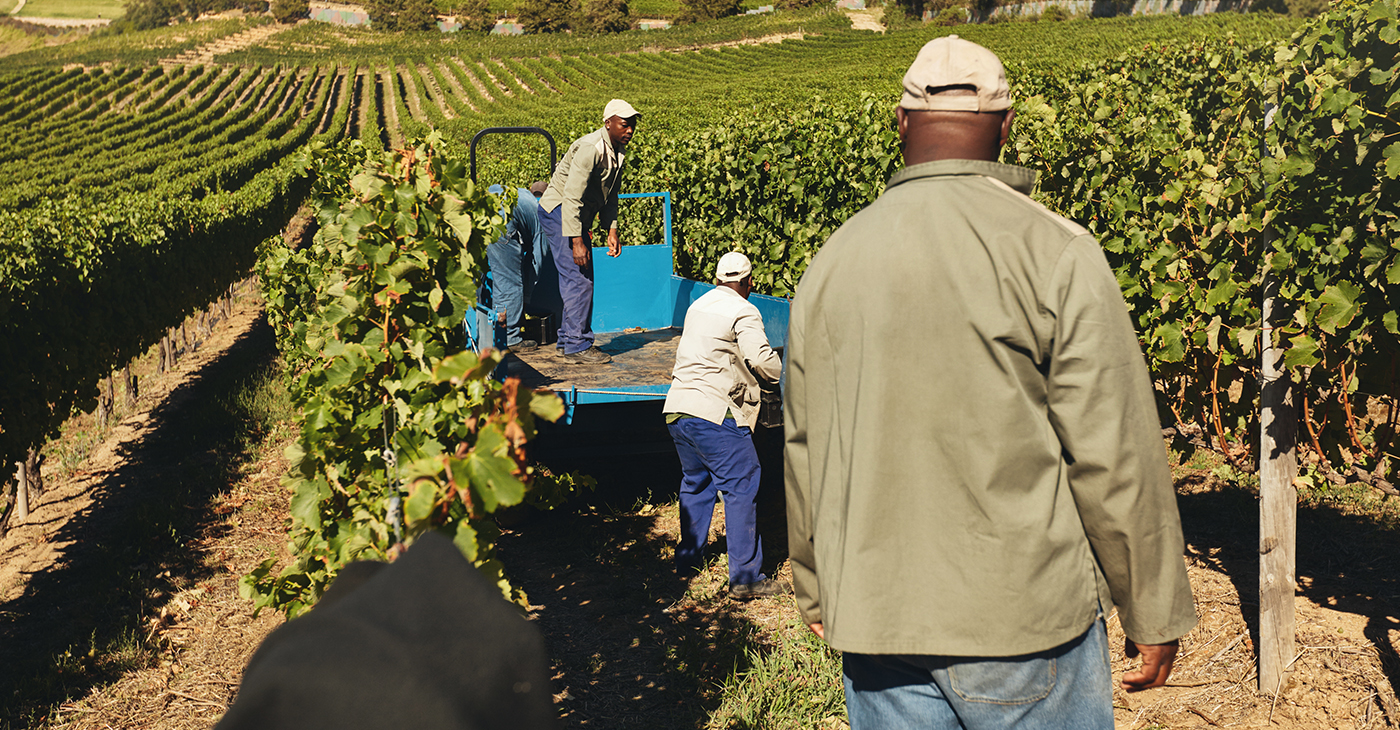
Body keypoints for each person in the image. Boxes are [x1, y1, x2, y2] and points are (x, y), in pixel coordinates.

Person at [783, 36, 1197, 729]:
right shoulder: (1054, 252)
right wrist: (1151, 605)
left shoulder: (833, 261)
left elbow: (805, 448)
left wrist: (819, 590)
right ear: (1006, 128)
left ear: (900, 124)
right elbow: (1112, 451)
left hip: (876, 621)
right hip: (1021, 624)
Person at [664, 252, 787, 600]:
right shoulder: (744, 309)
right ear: (749, 283)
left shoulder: (698, 305)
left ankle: (688, 560)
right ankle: (746, 578)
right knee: (742, 483)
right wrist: (789, 374)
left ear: (717, 279)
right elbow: (761, 360)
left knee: (696, 483)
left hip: (678, 410)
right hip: (714, 413)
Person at [537, 99, 640, 365]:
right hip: (560, 210)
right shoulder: (590, 148)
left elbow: (611, 195)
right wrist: (576, 240)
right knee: (578, 278)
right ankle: (576, 345)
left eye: (633, 125)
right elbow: (571, 196)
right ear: (608, 123)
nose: (629, 130)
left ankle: (567, 340)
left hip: (576, 215)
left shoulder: (617, 151)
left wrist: (612, 228)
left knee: (580, 278)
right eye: (624, 124)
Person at [485, 181, 549, 353]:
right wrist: (526, 297)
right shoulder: (542, 212)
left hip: (480, 212)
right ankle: (510, 338)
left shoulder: (522, 195)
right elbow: (537, 260)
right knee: (509, 281)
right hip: (501, 225)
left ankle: (477, 330)